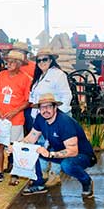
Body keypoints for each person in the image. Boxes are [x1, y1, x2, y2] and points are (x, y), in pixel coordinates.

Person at [19, 94, 95, 198]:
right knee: (33, 150)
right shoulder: (40, 118)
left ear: (55, 107)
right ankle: (39, 184)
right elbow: (31, 138)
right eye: (42, 107)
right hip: (60, 152)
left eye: (49, 106)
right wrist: (15, 146)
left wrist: (50, 154)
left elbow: (73, 151)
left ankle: (86, 181)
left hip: (82, 155)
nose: (45, 110)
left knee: (66, 165)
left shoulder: (64, 122)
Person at [29, 47, 72, 187]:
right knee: (42, 144)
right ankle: (43, 172)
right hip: (41, 118)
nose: (41, 62)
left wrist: (58, 116)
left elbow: (66, 96)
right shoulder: (39, 76)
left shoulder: (58, 75)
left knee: (56, 146)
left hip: (55, 117)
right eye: (39, 60)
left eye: (45, 59)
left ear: (51, 60)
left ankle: (55, 174)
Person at [0, 50, 31, 186]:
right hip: (1, 119)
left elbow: (28, 101)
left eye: (13, 62)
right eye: (8, 61)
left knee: (15, 147)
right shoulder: (1, 75)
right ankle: (0, 173)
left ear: (19, 64)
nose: (9, 64)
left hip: (16, 119)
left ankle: (15, 174)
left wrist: (15, 111)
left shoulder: (25, 78)